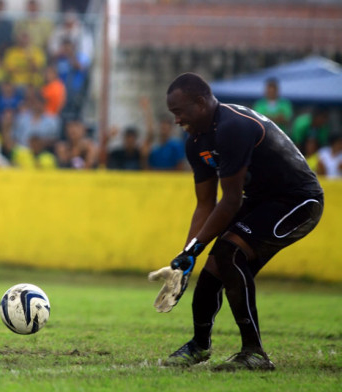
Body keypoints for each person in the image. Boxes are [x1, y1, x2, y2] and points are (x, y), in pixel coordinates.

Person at [150, 73, 323, 371]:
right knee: (213, 268)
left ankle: (254, 353)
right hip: (260, 201)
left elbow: (229, 201)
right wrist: (186, 257)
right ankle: (199, 346)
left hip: (297, 201)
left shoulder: (233, 127)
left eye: (179, 112)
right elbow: (205, 203)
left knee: (230, 254)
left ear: (201, 102)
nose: (176, 120)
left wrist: (192, 251)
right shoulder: (195, 142)